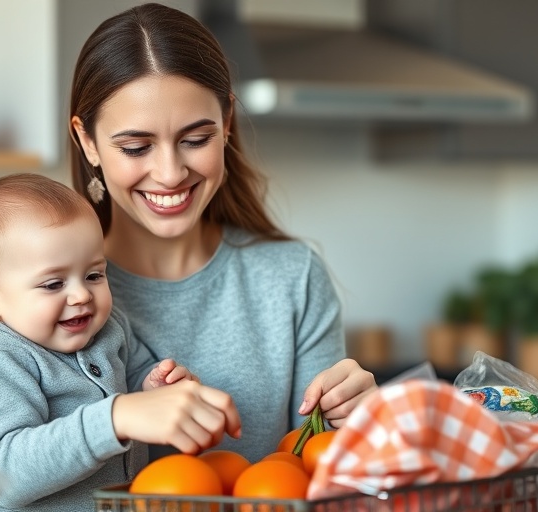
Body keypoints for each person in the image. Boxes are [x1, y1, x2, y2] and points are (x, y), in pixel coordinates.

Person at [69, 2, 378, 464]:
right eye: (136, 146)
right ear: (88, 141)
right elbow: (5, 470)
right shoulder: (48, 291)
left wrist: (353, 422)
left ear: (227, 123)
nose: (170, 173)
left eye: (196, 140)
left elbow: (317, 469)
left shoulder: (291, 277)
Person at [0, 173, 241, 511]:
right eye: (53, 284)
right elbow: (0, 476)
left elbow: (135, 393)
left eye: (94, 275)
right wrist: (115, 418)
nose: (81, 295)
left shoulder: (109, 329)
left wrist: (154, 389)